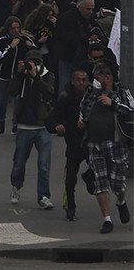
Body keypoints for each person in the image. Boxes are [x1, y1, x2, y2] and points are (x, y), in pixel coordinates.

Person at [77, 62, 133, 234]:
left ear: (107, 77)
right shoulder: (91, 93)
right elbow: (83, 109)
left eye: (98, 77)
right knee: (100, 182)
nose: (95, 81)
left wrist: (113, 103)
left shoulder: (122, 92)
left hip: (115, 143)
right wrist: (81, 121)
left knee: (117, 182)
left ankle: (121, 201)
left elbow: (131, 110)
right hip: (95, 143)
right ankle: (107, 220)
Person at [8, 50, 56, 210]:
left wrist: (36, 77)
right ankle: (15, 187)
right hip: (24, 126)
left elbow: (49, 93)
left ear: (41, 62)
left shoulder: (48, 75)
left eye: (36, 61)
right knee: (19, 163)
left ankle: (43, 196)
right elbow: (12, 91)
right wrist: (20, 74)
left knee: (44, 164)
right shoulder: (22, 76)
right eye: (31, 61)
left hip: (43, 126)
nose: (33, 64)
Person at [47, 68, 91, 221]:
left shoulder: (92, 96)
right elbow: (53, 117)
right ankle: (71, 207)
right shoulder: (66, 97)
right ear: (72, 81)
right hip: (73, 143)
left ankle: (89, 178)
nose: (81, 83)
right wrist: (57, 126)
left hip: (90, 142)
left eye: (84, 80)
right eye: (78, 80)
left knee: (96, 171)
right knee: (70, 178)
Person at [0, 16, 35, 134]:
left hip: (19, 76)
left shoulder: (24, 39)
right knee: (4, 100)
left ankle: (16, 123)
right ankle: (1, 119)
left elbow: (34, 52)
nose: (16, 31)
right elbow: (1, 57)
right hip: (5, 76)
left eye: (18, 28)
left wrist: (30, 46)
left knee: (18, 101)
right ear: (8, 29)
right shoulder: (1, 41)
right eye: (13, 28)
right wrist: (11, 46)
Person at [54, 0, 96, 100]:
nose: (90, 12)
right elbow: (68, 38)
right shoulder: (67, 18)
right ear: (80, 7)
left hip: (82, 59)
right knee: (65, 86)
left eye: (92, 9)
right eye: (88, 9)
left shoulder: (90, 19)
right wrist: (87, 38)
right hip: (68, 58)